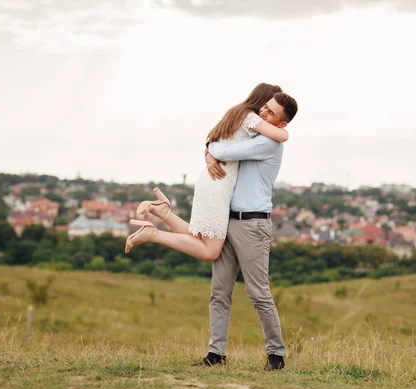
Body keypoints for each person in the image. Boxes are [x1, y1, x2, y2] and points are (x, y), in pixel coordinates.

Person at [126, 86, 299, 370]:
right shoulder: (257, 132)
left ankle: (276, 356)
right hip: (228, 217)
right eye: (264, 107)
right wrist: (210, 154)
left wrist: (210, 151)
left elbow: (221, 148)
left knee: (258, 293)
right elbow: (222, 148)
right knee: (219, 291)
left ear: (282, 123)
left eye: (271, 112)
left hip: (252, 224)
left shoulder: (269, 143)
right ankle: (215, 354)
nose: (263, 112)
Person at [124, 83, 289, 261]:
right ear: (263, 101)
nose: (267, 111)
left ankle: (164, 213)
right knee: (210, 251)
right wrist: (283, 127)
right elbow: (282, 136)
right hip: (219, 184)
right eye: (269, 106)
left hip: (210, 180)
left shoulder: (236, 113)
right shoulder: (251, 118)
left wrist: (210, 158)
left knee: (199, 237)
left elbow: (211, 141)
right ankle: (153, 234)